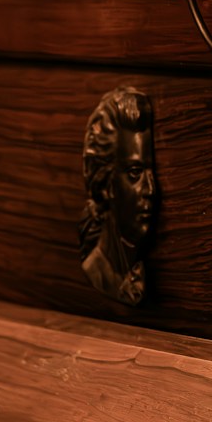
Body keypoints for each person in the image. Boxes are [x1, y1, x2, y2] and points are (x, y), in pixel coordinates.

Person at [76, 86, 157, 306]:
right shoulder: (98, 270)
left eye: (152, 173)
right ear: (105, 183)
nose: (151, 189)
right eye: (135, 173)